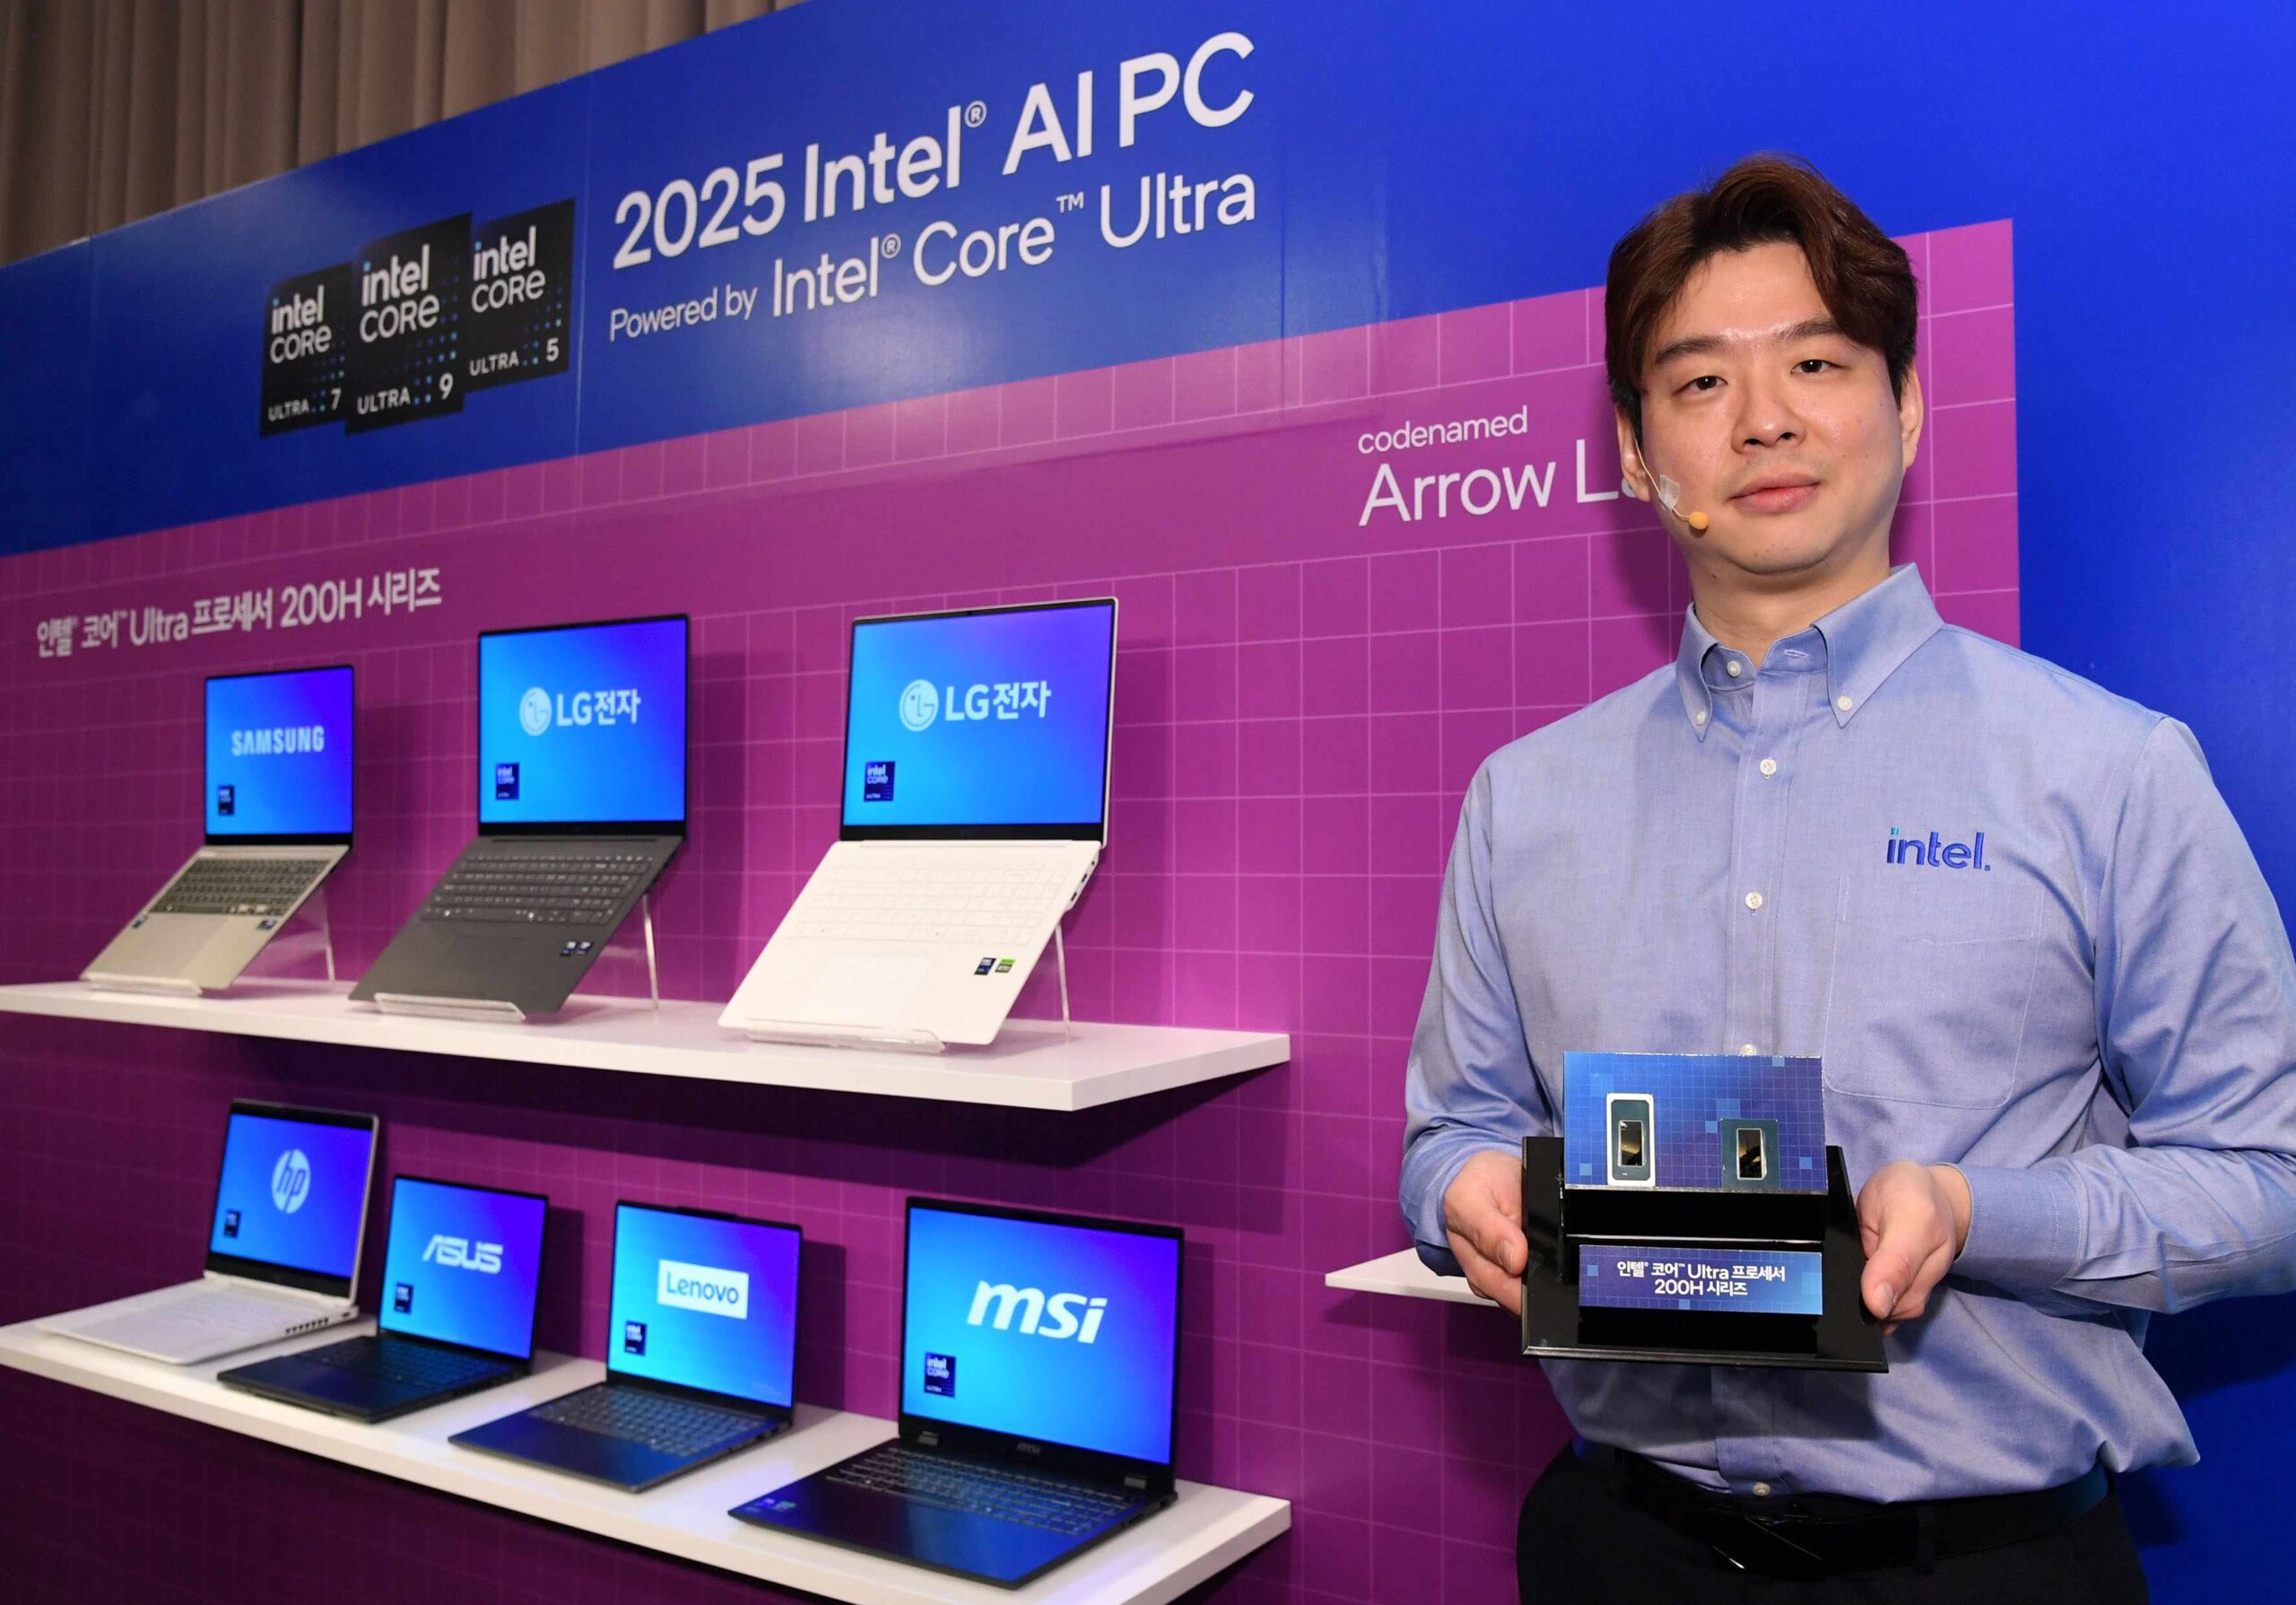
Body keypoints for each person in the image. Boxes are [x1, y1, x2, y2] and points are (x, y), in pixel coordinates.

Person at [1398, 153, 2296, 1602]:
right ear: (1635, 452)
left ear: (1909, 404)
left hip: (1985, 1565)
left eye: (1816, 361)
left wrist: (1978, 1211)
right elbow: (1450, 1127)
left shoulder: (2108, 771)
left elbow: (2275, 1180)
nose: (1763, 419)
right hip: (1622, 1547)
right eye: (1697, 383)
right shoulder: (1525, 800)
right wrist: (1466, 1196)